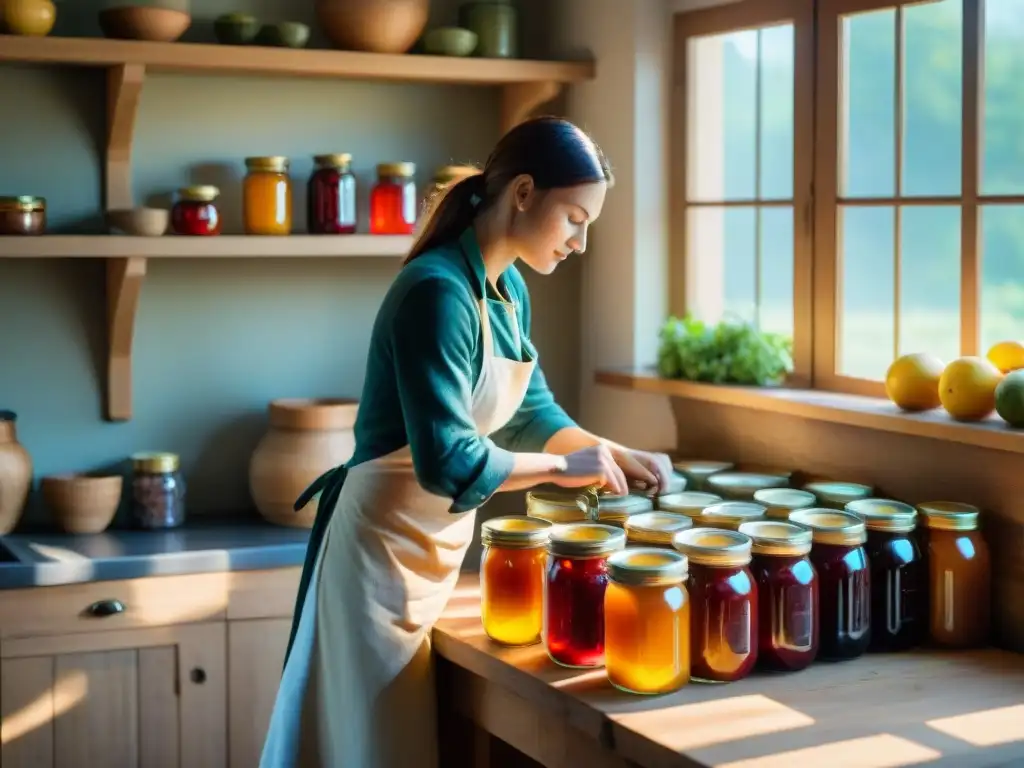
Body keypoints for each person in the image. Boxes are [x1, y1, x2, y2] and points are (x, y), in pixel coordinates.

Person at [259, 116, 674, 768]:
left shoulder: (508, 289)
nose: (581, 242)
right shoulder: (435, 293)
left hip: (425, 558)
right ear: (524, 192)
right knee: (367, 751)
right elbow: (448, 461)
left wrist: (609, 449)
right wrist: (564, 468)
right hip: (375, 562)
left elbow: (528, 411)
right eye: (574, 218)